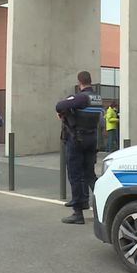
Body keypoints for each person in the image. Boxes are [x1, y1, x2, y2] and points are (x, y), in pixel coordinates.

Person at [56, 71, 103, 224]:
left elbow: (59, 106)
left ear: (79, 82)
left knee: (75, 175)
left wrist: (68, 103)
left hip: (77, 140)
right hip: (92, 139)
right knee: (89, 174)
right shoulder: (97, 98)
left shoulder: (81, 97)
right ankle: (101, 203)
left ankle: (78, 213)